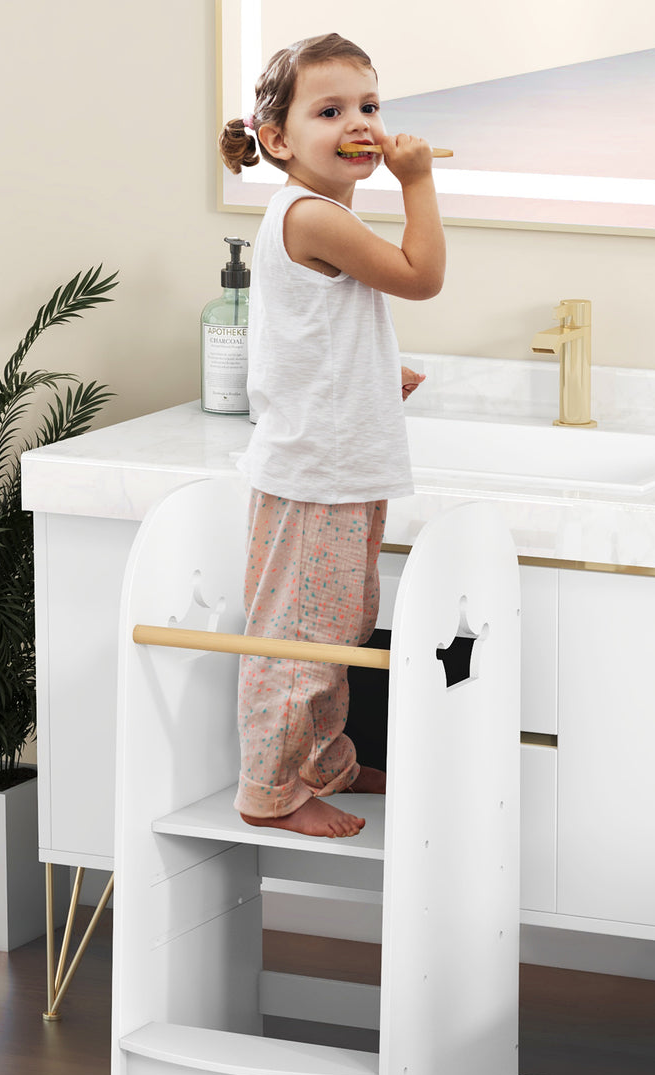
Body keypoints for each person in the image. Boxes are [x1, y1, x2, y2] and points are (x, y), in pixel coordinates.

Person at [217, 32, 445, 839]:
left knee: (335, 630)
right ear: (277, 139)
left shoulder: (313, 214)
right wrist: (418, 181)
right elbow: (420, 277)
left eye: (369, 107)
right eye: (331, 110)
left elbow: (308, 336)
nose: (359, 124)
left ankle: (325, 763)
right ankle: (268, 792)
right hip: (317, 476)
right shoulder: (316, 215)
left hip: (336, 466)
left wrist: (382, 372)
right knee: (300, 641)